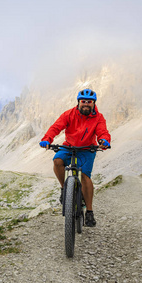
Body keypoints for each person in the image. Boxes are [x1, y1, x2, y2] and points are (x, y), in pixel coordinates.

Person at [39, 89, 111, 227]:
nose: (86, 104)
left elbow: (102, 132)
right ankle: (64, 189)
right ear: (78, 102)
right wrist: (47, 139)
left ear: (93, 103)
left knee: (84, 176)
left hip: (87, 150)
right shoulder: (69, 114)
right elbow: (56, 127)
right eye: (83, 101)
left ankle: (89, 212)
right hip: (69, 146)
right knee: (57, 161)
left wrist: (104, 141)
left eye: (89, 102)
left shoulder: (99, 117)